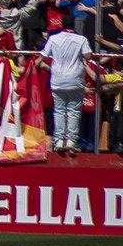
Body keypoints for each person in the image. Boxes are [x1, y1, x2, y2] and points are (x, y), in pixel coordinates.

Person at [41, 16, 92, 155]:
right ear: (74, 25)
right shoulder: (81, 39)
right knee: (74, 111)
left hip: (57, 80)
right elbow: (88, 56)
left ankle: (58, 141)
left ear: (61, 24)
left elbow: (44, 55)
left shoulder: (53, 38)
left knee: (59, 110)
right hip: (75, 79)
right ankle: (71, 141)